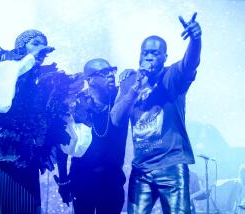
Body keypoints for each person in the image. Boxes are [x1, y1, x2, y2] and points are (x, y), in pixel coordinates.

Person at [0, 29, 83, 214]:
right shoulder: (5, 65)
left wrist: (64, 178)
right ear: (20, 46)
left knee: (24, 206)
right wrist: (29, 60)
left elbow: (58, 129)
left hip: (27, 157)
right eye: (35, 43)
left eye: (44, 44)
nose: (41, 48)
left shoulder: (48, 81)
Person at [114, 12, 202, 213]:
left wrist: (196, 40)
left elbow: (190, 62)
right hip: (141, 169)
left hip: (171, 164)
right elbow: (117, 119)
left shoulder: (171, 76)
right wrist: (135, 88)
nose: (150, 56)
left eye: (155, 53)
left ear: (165, 57)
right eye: (146, 52)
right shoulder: (131, 82)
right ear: (139, 55)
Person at [55, 58, 130, 214]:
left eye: (111, 70)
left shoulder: (121, 98)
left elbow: (139, 87)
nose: (110, 75)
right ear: (89, 80)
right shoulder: (76, 104)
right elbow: (61, 142)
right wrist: (63, 180)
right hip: (82, 180)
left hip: (112, 181)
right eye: (103, 73)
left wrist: (132, 74)